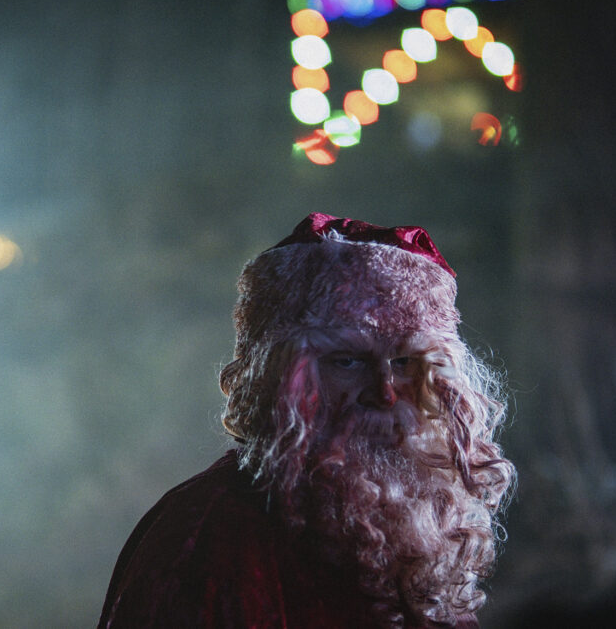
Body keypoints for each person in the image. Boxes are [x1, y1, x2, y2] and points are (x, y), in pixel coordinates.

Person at [98, 213, 515, 628]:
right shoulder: (202, 537)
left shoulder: (424, 530)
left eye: (405, 362)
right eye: (348, 361)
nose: (385, 392)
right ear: (280, 378)